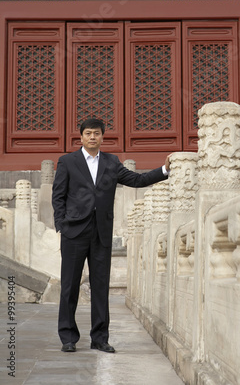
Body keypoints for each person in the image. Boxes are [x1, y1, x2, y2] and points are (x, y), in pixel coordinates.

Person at [52, 118, 170, 353]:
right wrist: (62, 226)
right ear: (81, 137)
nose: (92, 137)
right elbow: (58, 196)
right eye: (88, 133)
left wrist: (165, 170)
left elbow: (137, 180)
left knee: (100, 286)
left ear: (102, 137)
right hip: (74, 232)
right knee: (69, 286)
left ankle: (100, 338)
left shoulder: (111, 162)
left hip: (101, 232)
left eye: (96, 133)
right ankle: (68, 337)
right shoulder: (67, 161)